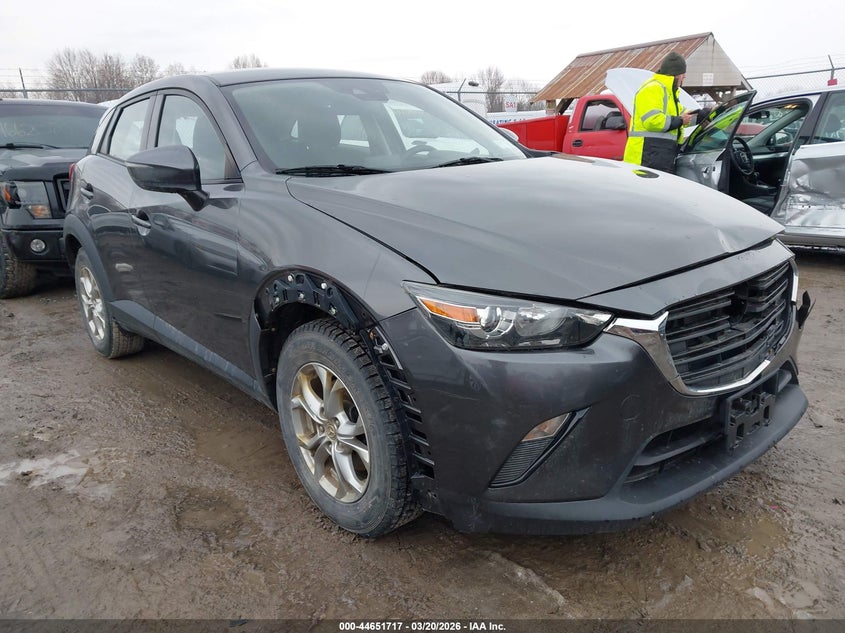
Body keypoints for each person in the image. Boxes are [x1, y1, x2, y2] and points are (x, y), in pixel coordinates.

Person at [623, 51, 695, 174]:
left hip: (656, 154)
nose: (685, 77)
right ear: (677, 75)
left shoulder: (668, 91)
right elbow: (652, 121)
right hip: (645, 156)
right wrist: (680, 120)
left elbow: (684, 115)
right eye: (683, 74)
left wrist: (706, 114)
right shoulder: (653, 89)